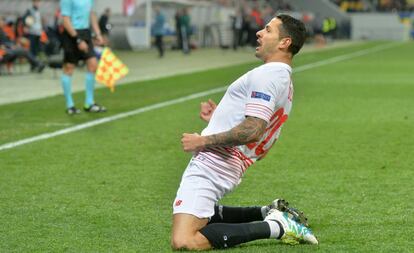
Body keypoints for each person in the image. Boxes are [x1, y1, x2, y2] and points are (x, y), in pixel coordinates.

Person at [171, 14, 317, 250]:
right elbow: (259, 127)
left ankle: (276, 227)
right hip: (230, 162)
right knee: (196, 213)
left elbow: (253, 130)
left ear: (284, 42)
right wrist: (221, 116)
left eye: (268, 30)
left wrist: (203, 141)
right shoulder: (283, 78)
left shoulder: (268, 75)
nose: (259, 33)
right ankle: (265, 212)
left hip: (215, 161)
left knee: (185, 240)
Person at [60, 0, 106, 115]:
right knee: (69, 68)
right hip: (71, 34)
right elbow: (65, 21)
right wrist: (78, 40)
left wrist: (98, 34)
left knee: (93, 64)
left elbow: (91, 14)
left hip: (86, 33)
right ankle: (70, 106)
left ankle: (89, 103)